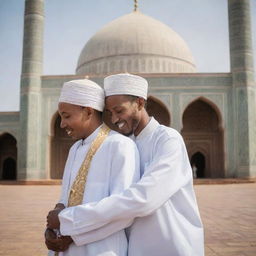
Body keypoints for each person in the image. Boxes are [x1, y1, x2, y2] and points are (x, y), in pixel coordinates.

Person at [49, 73, 204, 255]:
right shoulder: (125, 142)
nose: (114, 119)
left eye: (119, 111)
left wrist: (68, 222)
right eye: (110, 113)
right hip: (137, 247)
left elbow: (144, 198)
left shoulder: (166, 139)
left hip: (171, 244)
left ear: (139, 102)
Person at [45, 79, 140, 256]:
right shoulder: (74, 149)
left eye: (66, 116)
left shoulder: (119, 145)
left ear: (88, 112)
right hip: (64, 247)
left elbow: (123, 211)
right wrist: (52, 228)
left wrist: (71, 231)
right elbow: (65, 199)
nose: (62, 124)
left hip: (101, 249)